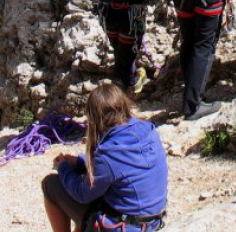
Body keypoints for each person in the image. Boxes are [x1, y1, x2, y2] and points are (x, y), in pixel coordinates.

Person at [42, 83, 168, 232]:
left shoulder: (108, 152)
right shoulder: (149, 130)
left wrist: (63, 167)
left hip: (127, 226)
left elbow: (82, 194)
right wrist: (80, 161)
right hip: (153, 221)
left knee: (50, 184)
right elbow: (121, 168)